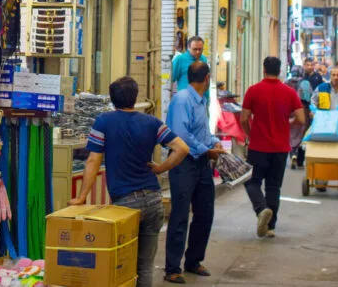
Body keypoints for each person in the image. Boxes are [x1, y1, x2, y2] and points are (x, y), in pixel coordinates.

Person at [70, 77, 190, 287]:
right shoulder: (152, 122)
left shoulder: (104, 121)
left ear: (113, 99)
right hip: (153, 200)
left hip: (125, 205)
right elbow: (182, 149)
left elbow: (93, 160)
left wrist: (81, 196)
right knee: (144, 266)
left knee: (121, 266)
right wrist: (160, 169)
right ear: (135, 97)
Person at [164, 62, 226, 284]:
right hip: (183, 163)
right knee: (180, 215)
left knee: (205, 213)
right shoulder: (182, 99)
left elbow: (201, 133)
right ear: (207, 78)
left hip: (201, 164)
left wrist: (214, 143)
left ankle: (193, 260)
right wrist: (205, 149)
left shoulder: (201, 101)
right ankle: (172, 267)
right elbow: (181, 134)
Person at [241, 57, 306, 238]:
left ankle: (261, 209)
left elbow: (244, 119)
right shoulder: (290, 92)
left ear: (264, 70)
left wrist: (250, 134)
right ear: (280, 71)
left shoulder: (253, 91)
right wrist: (288, 122)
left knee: (251, 181)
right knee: (273, 187)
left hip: (258, 146)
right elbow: (301, 119)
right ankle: (270, 226)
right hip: (280, 148)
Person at [284, 65, 312, 169]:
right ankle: (300, 160)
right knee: (302, 134)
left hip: (288, 111)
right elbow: (309, 98)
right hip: (302, 110)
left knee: (291, 133)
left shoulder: (286, 83)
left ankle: (292, 154)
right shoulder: (305, 83)